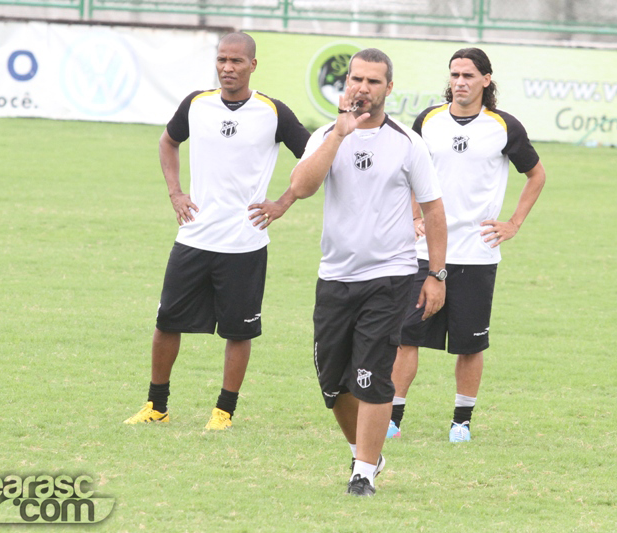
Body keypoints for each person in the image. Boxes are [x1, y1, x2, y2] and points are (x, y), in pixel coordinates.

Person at [124, 32, 310, 430]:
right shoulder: (196, 104)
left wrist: (283, 202)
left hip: (244, 244)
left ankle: (223, 412)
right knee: (166, 323)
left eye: (237, 61)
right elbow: (167, 142)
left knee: (238, 332)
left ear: (253, 66)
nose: (228, 68)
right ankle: (157, 405)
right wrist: (175, 192)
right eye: (222, 60)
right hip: (194, 237)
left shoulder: (273, 112)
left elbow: (313, 159)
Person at [288, 48, 448, 496]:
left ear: (389, 89)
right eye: (356, 79)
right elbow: (301, 187)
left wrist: (436, 274)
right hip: (336, 276)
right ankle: (370, 453)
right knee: (333, 384)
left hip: (390, 275)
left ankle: (361, 472)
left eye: (373, 81)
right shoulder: (325, 134)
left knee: (371, 375)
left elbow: (434, 212)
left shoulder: (407, 143)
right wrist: (339, 135)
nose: (362, 88)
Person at [388, 47, 546, 443]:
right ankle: (392, 417)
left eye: (469, 75)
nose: (460, 82)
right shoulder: (428, 121)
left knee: (470, 344)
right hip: (425, 252)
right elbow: (409, 171)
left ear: (486, 80)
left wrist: (513, 223)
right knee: (407, 336)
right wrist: (412, 216)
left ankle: (461, 421)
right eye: (455, 74)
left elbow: (537, 175)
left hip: (476, 253)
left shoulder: (503, 126)